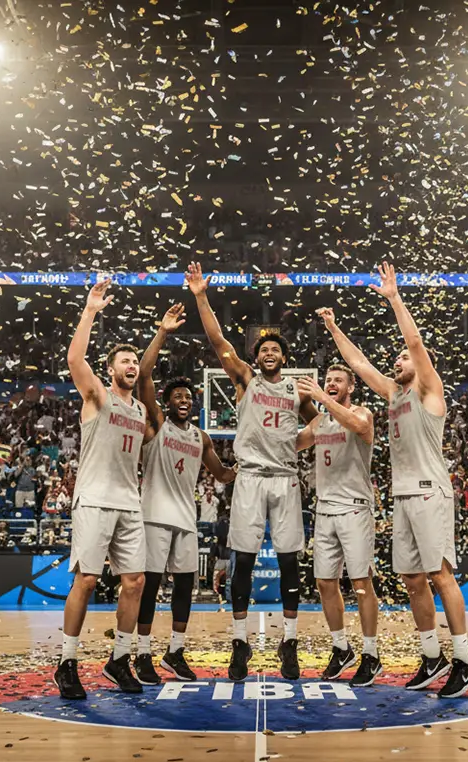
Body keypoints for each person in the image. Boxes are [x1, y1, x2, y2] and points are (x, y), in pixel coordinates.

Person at [321, 261, 468, 700]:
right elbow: (358, 362)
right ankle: (432, 656)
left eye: (402, 358)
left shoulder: (430, 391)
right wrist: (334, 328)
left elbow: (414, 341)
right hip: (405, 497)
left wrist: (394, 298)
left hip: (431, 492)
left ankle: (465, 659)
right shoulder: (394, 394)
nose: (397, 359)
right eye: (396, 358)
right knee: (412, 579)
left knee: (440, 574)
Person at [186, 262, 317, 683]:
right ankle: (240, 642)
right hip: (250, 478)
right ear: (257, 357)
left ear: (285, 357)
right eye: (262, 349)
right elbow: (218, 341)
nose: (268, 352)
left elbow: (320, 426)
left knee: (289, 562)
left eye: (275, 349)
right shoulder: (245, 379)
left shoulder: (298, 391)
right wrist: (202, 296)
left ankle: (290, 642)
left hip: (284, 478)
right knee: (242, 560)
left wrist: (292, 445)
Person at [54, 278, 149, 701]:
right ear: (111, 370)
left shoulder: (142, 408)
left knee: (135, 582)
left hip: (129, 501)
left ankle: (119, 658)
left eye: (135, 361)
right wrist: (91, 310)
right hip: (93, 498)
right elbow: (75, 358)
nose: (131, 365)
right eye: (124, 360)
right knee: (88, 580)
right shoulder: (96, 396)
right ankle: (67, 663)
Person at [133, 304, 236, 685]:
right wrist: (162, 331)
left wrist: (253, 465)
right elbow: (144, 373)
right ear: (166, 400)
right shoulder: (157, 424)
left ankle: (174, 652)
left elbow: (222, 474)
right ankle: (142, 653)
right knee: (148, 584)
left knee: (184, 586)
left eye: (188, 397)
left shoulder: (201, 437)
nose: (184, 399)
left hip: (186, 520)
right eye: (177, 395)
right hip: (154, 515)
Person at [295, 365, 382, 687]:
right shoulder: (320, 421)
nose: (331, 384)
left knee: (360, 583)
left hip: (355, 509)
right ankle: (341, 647)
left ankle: (370, 653)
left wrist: (319, 398)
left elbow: (356, 424)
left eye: (337, 381)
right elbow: (292, 445)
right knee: (324, 583)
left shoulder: (362, 413)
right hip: (325, 510)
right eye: (328, 380)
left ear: (351, 387)